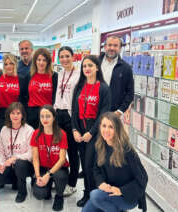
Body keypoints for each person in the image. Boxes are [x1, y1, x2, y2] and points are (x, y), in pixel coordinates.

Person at [83, 112, 148, 212]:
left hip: (127, 195)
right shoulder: (100, 145)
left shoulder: (126, 150)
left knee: (95, 195)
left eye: (111, 127)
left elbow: (143, 177)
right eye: (104, 126)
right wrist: (101, 183)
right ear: (100, 127)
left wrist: (121, 191)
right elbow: (96, 169)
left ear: (117, 129)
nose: (106, 130)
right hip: (109, 191)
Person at [71, 55, 111, 207]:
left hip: (95, 131)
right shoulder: (79, 86)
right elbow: (74, 110)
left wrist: (92, 133)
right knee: (85, 164)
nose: (87, 69)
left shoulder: (104, 88)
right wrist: (74, 129)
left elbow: (104, 114)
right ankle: (89, 193)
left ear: (97, 68)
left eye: (90, 65)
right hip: (80, 130)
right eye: (84, 66)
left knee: (89, 165)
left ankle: (91, 195)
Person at [0, 102, 34, 203]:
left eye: (18, 113)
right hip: (9, 164)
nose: (15, 116)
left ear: (22, 115)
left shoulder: (29, 130)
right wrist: (1, 164)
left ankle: (22, 192)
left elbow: (31, 154)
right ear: (8, 115)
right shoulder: (4, 129)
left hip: (24, 165)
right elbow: (0, 150)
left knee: (19, 164)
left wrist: (14, 158)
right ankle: (15, 179)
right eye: (13, 113)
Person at [31, 105, 69, 211]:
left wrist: (49, 175)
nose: (44, 119)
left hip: (59, 168)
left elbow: (62, 159)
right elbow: (35, 158)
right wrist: (38, 176)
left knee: (60, 177)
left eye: (48, 116)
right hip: (43, 167)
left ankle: (59, 196)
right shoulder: (36, 133)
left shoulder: (62, 134)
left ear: (54, 118)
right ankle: (47, 188)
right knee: (39, 194)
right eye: (42, 116)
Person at [53, 46, 80, 197]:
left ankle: (72, 183)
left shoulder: (79, 74)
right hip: (58, 115)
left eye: (67, 56)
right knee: (58, 150)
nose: (64, 59)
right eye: (61, 56)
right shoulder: (59, 74)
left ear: (73, 56)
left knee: (73, 152)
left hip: (71, 116)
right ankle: (58, 177)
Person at [100, 36, 134, 117]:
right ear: (105, 47)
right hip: (93, 110)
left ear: (120, 48)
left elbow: (130, 93)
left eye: (115, 45)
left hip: (113, 113)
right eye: (109, 45)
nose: (112, 48)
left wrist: (120, 111)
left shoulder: (126, 68)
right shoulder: (95, 63)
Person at [0, 54, 28, 136]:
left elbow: (25, 98)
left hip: (16, 115)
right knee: (2, 140)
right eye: (6, 64)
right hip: (1, 115)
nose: (8, 66)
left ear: (15, 65)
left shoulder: (21, 79)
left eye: (11, 63)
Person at [26, 48, 58, 129]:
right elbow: (24, 95)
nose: (41, 63)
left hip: (47, 113)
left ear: (48, 62)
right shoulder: (29, 76)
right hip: (32, 114)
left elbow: (55, 96)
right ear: (35, 61)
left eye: (44, 60)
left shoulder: (54, 76)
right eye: (39, 60)